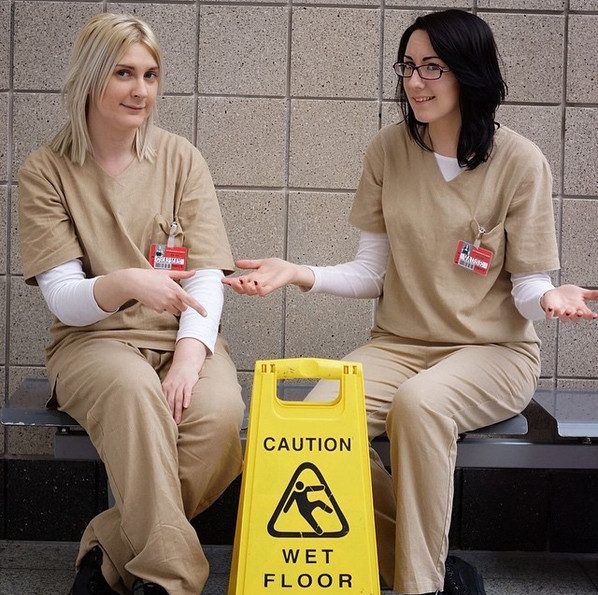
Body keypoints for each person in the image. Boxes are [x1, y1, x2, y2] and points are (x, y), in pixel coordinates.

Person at [223, 9, 598, 595]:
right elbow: (371, 272)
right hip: (398, 343)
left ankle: (418, 586)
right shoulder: (387, 151)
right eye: (408, 68)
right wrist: (299, 273)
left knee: (421, 407)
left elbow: (526, 291)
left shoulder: (521, 162)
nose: (416, 83)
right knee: (310, 421)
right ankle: (411, 555)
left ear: (469, 75)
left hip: (494, 351)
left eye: (433, 68)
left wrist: (552, 296)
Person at [18, 13, 245, 595]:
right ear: (92, 79)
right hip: (93, 342)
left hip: (182, 335)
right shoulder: (46, 172)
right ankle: (171, 578)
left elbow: (205, 279)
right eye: (124, 73)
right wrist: (127, 283)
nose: (140, 89)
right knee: (136, 394)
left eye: (150, 74)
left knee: (219, 417)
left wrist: (193, 357)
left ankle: (110, 546)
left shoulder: (181, 159)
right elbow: (67, 300)